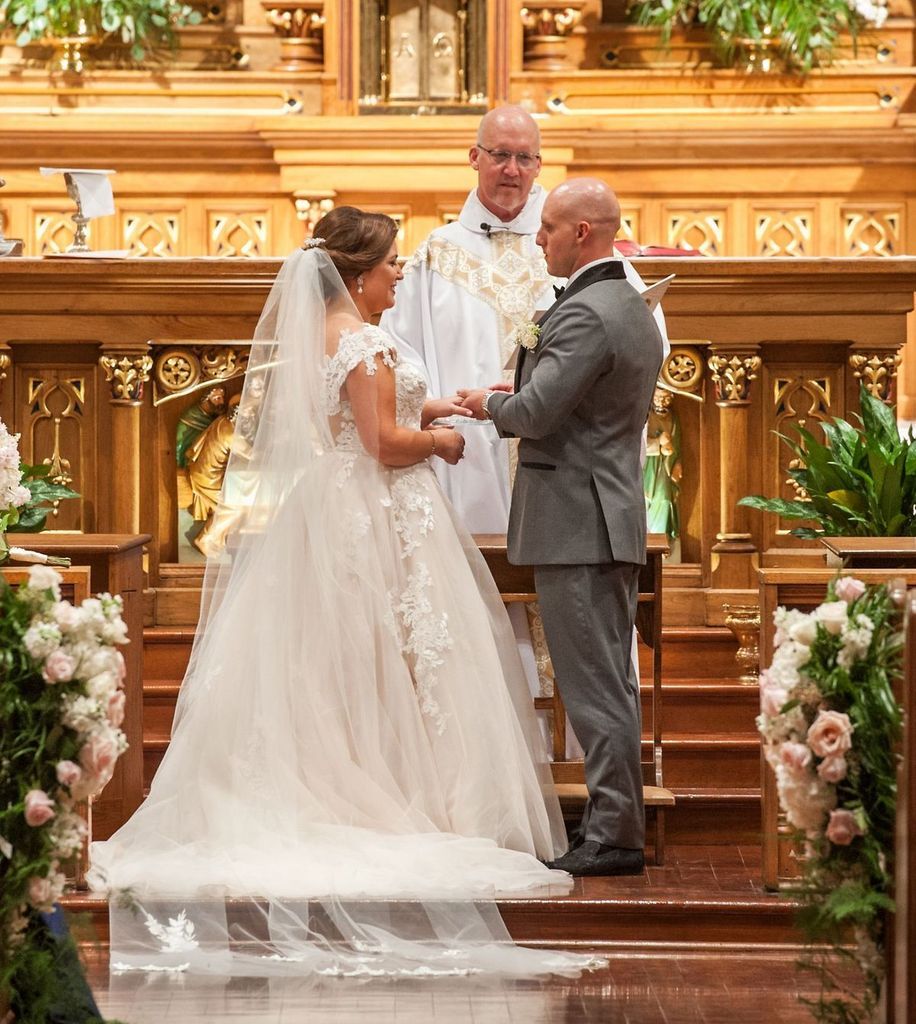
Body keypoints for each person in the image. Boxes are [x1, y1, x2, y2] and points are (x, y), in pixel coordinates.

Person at [89, 207, 599, 977]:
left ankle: (387, 784)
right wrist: (441, 441)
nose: (402, 274)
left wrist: (435, 404)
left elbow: (368, 408)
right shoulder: (358, 338)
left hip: (353, 510)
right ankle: (394, 802)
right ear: (359, 274)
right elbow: (382, 443)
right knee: (384, 656)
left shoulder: (338, 333)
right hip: (377, 515)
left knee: (362, 659)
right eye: (393, 264)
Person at [380, 105, 670, 733]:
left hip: (572, 477)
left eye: (525, 157)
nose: (512, 170)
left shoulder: (585, 242)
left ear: (541, 163)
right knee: (479, 613)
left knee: (589, 649)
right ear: (474, 157)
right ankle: (496, 760)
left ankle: (584, 777)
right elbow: (397, 363)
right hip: (474, 468)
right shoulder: (433, 259)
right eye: (500, 154)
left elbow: (642, 337)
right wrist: (443, 418)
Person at [461, 179, 665, 876]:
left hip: (579, 521)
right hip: (602, 515)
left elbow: (535, 413)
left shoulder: (587, 314)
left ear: (582, 233)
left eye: (548, 228)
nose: (538, 238)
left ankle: (612, 835)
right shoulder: (627, 304)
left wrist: (486, 401)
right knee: (610, 682)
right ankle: (617, 826)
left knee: (595, 687)